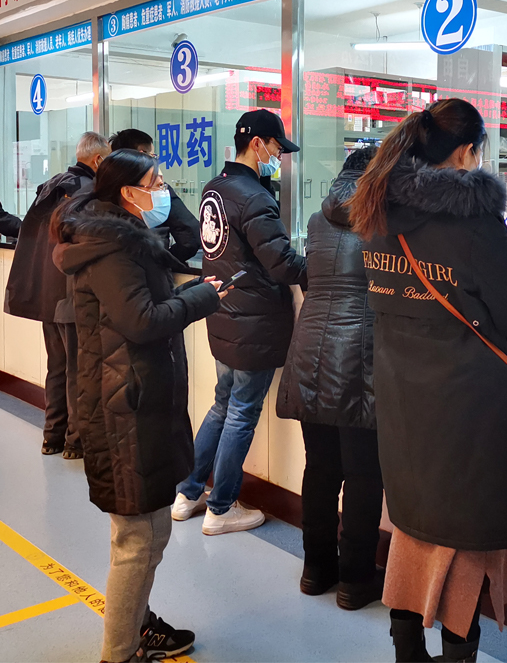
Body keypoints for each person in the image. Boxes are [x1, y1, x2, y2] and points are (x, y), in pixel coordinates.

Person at [346, 98, 507, 662]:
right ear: (466, 152)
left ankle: (406, 649)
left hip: (403, 399)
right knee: (467, 543)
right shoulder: (473, 219)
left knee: (412, 530)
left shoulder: (375, 206)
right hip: (468, 408)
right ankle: (458, 652)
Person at [50, 149, 226, 663]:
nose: (163, 189)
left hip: (133, 398)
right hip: (123, 407)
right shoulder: (113, 249)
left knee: (146, 530)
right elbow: (142, 321)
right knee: (138, 538)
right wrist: (200, 299)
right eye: (156, 182)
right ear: (129, 193)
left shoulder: (119, 238)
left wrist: (192, 291)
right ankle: (120, 652)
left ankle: (137, 623)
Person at [172, 109, 308, 535]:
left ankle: (188, 493)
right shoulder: (254, 198)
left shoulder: (215, 187)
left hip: (223, 313)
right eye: (276, 149)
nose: (277, 158)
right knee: (241, 413)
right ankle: (221, 507)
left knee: (222, 404)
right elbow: (281, 263)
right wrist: (322, 268)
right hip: (255, 323)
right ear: (258, 144)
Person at [277, 146, 384, 611]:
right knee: (364, 474)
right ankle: (355, 581)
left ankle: (315, 570)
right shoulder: (384, 221)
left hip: (310, 351)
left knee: (320, 469)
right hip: (361, 357)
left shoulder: (318, 220)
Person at [5, 131, 111, 459]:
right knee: (80, 371)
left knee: (57, 367)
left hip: (46, 294)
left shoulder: (52, 186)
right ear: (98, 160)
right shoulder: (89, 192)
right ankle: (75, 442)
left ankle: (52, 436)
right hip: (73, 295)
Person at [109, 129, 201, 264]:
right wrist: (164, 262)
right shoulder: (156, 192)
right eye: (153, 156)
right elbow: (190, 237)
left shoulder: (95, 190)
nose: (159, 189)